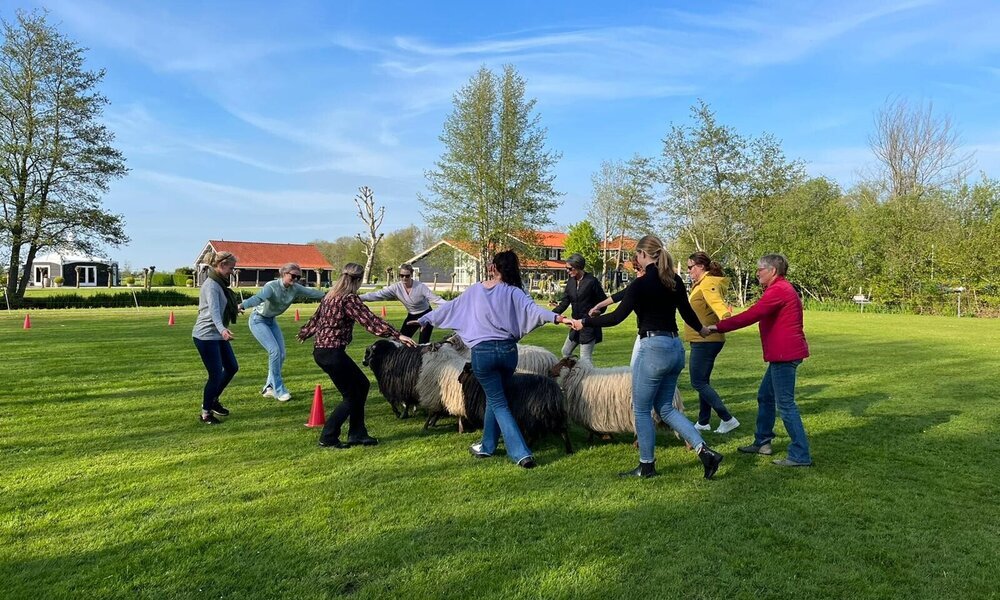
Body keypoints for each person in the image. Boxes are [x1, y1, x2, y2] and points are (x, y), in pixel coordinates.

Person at [571, 235, 723, 479]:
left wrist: (584, 321)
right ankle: (704, 451)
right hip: (675, 348)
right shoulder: (674, 280)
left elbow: (616, 318)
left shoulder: (640, 284)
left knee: (641, 410)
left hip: (653, 348)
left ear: (643, 255)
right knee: (665, 408)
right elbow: (687, 313)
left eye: (637, 256)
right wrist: (703, 330)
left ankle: (647, 465)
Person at [414, 250, 569, 469]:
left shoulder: (477, 290)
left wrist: (425, 318)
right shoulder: (515, 292)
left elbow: (450, 307)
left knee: (498, 402)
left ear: (493, 268)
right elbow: (534, 311)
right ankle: (487, 445)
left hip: (484, 355)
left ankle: (521, 453)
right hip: (508, 353)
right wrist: (558, 318)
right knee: (495, 399)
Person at [706, 253, 812, 467]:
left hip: (785, 355)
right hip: (782, 355)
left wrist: (718, 327)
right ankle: (762, 442)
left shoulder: (779, 290)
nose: (757, 273)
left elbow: (752, 315)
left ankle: (800, 455)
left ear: (772, 271)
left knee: (786, 405)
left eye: (760, 269)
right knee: (765, 396)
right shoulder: (779, 288)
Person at [297, 263, 416, 448]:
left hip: (323, 352)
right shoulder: (348, 299)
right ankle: (328, 436)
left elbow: (316, 319)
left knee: (361, 385)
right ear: (358, 280)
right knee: (352, 395)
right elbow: (369, 320)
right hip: (332, 353)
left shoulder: (330, 296)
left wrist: (305, 332)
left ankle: (357, 433)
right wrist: (397, 334)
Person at [239, 262, 326, 402]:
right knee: (274, 351)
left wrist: (333, 295)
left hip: (271, 321)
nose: (296, 279)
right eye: (293, 276)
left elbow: (313, 293)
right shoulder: (271, 286)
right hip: (258, 320)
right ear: (284, 274)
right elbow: (258, 298)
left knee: (282, 354)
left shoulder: (295, 288)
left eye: (298, 277)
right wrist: (242, 305)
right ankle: (279, 390)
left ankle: (268, 387)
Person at [685, 252, 739, 434]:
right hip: (704, 339)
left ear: (700, 266)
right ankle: (703, 421)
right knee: (703, 381)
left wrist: (725, 319)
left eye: (690, 267)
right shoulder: (702, 283)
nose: (689, 271)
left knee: (697, 382)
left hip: (706, 339)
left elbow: (718, 305)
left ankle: (727, 419)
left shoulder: (708, 283)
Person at [192, 251, 241, 425]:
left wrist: (235, 309)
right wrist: (223, 330)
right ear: (221, 265)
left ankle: (213, 400)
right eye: (231, 268)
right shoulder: (211, 285)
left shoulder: (220, 283)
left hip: (217, 335)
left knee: (231, 367)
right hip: (206, 336)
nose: (232, 271)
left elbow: (222, 306)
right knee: (215, 375)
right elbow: (213, 311)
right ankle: (205, 413)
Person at [359, 263, 443, 344]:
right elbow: (378, 295)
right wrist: (358, 297)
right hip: (412, 316)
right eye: (401, 275)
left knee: (423, 344)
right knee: (400, 341)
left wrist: (453, 305)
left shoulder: (420, 287)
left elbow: (436, 300)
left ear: (411, 275)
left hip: (426, 315)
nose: (404, 278)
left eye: (407, 276)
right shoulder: (396, 287)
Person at [551, 253, 608, 363]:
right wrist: (551, 315)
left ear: (578, 267)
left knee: (585, 359)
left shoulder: (592, 282)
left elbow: (603, 302)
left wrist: (598, 311)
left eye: (569, 268)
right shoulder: (571, 282)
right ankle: (575, 374)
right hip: (575, 325)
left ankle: (589, 379)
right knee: (566, 352)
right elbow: (565, 302)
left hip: (589, 325)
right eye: (566, 268)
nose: (567, 271)